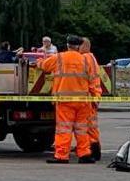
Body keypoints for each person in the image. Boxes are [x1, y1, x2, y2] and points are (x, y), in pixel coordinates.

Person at [34, 35, 99, 164]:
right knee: (82, 129)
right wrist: (95, 97)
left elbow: (44, 66)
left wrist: (38, 61)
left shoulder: (59, 58)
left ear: (67, 45)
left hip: (65, 101)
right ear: (78, 46)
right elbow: (92, 80)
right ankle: (84, 154)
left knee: (64, 129)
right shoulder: (85, 60)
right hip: (83, 101)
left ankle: (62, 155)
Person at [80, 37, 103, 161]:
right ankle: (95, 149)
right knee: (92, 126)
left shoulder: (84, 58)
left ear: (84, 46)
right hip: (94, 95)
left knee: (86, 126)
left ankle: (92, 150)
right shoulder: (92, 58)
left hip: (88, 96)